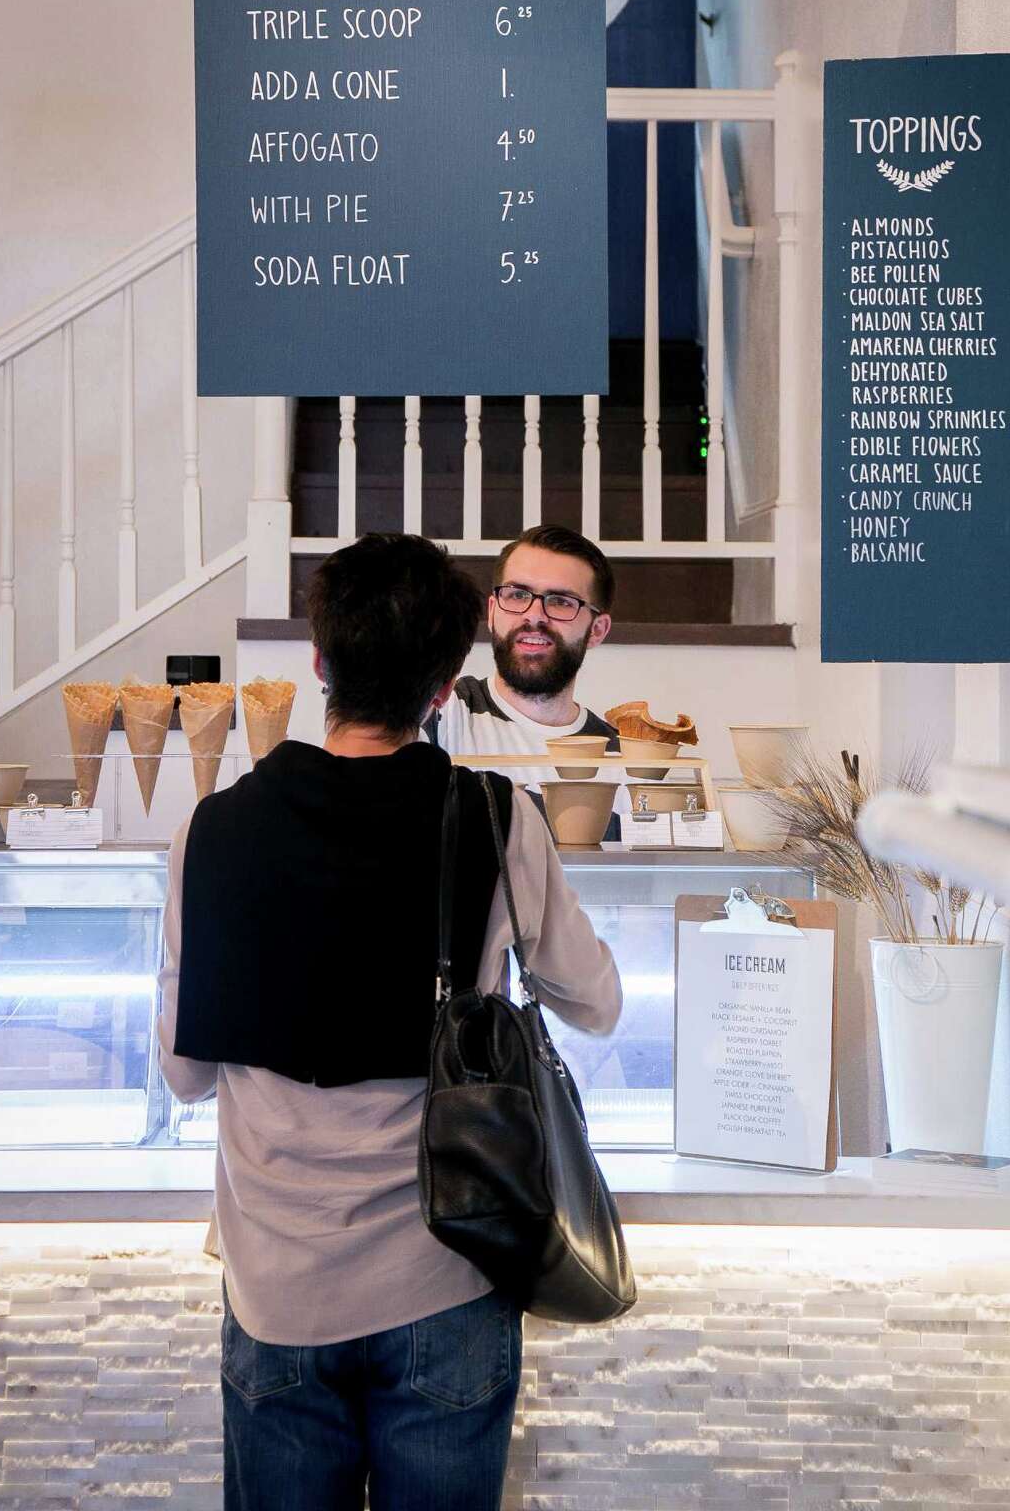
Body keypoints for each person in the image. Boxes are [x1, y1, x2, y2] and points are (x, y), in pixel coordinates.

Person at [157, 533, 621, 1511]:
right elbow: (598, 1004)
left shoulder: (215, 827)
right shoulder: (497, 815)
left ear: (319, 663)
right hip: (446, 1273)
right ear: (449, 684)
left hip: (277, 1284)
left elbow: (186, 1076)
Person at [426, 523, 619, 794]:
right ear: (492, 612)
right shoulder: (438, 714)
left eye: (561, 601)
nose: (534, 615)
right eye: (518, 595)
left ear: (596, 630)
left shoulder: (627, 762)